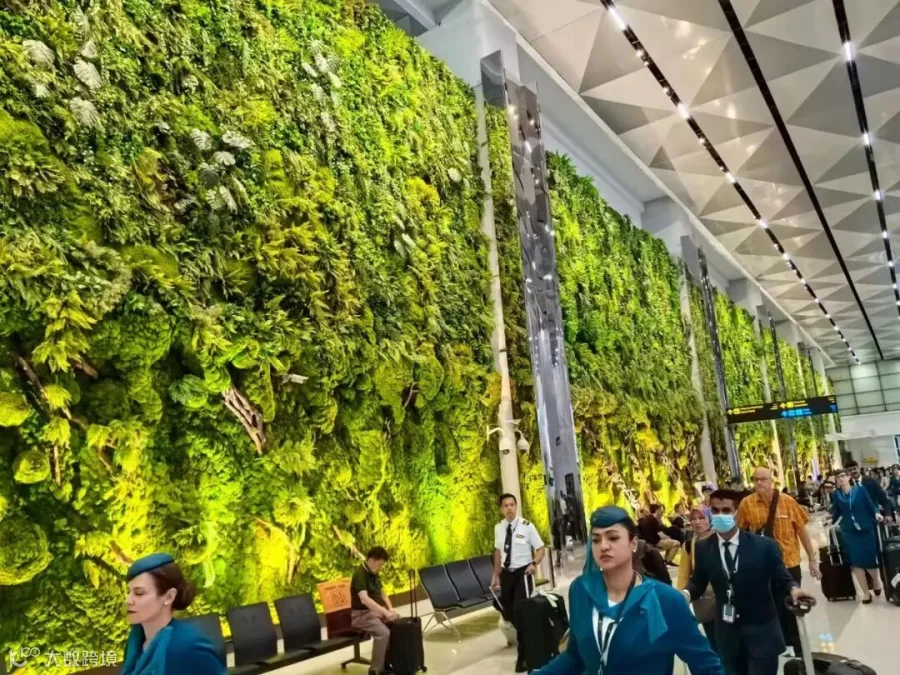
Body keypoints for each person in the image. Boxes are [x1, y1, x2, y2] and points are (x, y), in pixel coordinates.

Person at [533, 506, 723, 675]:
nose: (603, 546)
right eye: (596, 540)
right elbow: (575, 656)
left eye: (613, 538)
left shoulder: (665, 600)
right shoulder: (582, 591)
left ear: (634, 543)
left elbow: (706, 666)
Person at [682, 490, 817, 675]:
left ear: (736, 512)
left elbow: (781, 575)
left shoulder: (763, 546)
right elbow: (698, 580)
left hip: (761, 629)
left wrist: (794, 589)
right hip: (728, 632)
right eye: (715, 510)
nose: (720, 515)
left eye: (726, 510)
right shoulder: (703, 547)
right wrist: (685, 594)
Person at [736, 467, 820, 656]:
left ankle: (799, 650)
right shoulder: (746, 504)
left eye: (763, 479)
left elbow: (801, 531)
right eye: (756, 479)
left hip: (789, 563)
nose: (759, 483)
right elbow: (739, 533)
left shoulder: (787, 501)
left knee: (792, 605)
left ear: (771, 480)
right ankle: (780, 646)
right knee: (770, 607)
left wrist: (812, 559)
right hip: (762, 567)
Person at [122, 553, 225, 675]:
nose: (128, 600)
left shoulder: (189, 646)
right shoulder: (134, 642)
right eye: (128, 592)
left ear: (169, 596)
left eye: (139, 593)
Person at [490, 493, 546, 673]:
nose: (509, 508)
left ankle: (524, 657)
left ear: (516, 506)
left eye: (512, 505)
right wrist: (496, 574)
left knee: (521, 613)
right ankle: (533, 642)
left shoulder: (527, 526)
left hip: (523, 573)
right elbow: (498, 552)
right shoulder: (498, 528)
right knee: (510, 613)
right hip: (507, 575)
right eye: (505, 505)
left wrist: (534, 563)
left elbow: (541, 549)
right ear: (501, 509)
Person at [830, 469, 885, 603]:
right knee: (856, 562)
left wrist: (876, 513)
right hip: (849, 531)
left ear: (848, 477)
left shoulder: (860, 490)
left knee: (869, 560)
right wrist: (829, 517)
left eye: (842, 476)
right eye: (837, 478)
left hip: (865, 529)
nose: (840, 479)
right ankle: (866, 593)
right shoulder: (836, 494)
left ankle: (876, 582)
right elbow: (837, 511)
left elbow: (870, 504)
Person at [676, 506, 719, 655]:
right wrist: (681, 597)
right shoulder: (689, 545)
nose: (697, 522)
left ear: (710, 518)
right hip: (704, 598)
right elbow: (684, 574)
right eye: (693, 519)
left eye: (701, 518)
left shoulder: (721, 538)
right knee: (713, 639)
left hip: (725, 596)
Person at [350, 547, 398, 675]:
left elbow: (383, 593)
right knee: (383, 633)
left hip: (374, 612)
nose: (380, 568)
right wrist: (385, 612)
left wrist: (391, 609)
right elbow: (364, 599)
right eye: (380, 565)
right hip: (361, 615)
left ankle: (387, 663)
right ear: (371, 561)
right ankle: (375, 669)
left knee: (397, 624)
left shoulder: (374, 573)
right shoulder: (360, 575)